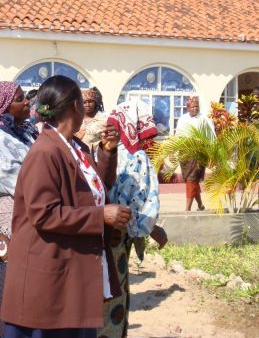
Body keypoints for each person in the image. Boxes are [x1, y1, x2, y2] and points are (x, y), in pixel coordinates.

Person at [1, 75, 132, 338]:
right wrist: (100, 216)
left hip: (71, 266)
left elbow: (93, 190)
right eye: (82, 101)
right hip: (49, 269)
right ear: (74, 106)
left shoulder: (74, 146)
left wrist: (107, 153)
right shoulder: (46, 152)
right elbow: (44, 213)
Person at [98, 99, 167, 338]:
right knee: (115, 292)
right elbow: (137, 203)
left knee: (108, 290)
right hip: (118, 235)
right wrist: (150, 228)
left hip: (105, 232)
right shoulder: (135, 157)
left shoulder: (108, 150)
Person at [0, 81, 36, 338]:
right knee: (8, 295)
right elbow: (16, 181)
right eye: (19, 99)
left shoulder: (22, 131)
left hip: (25, 210)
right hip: (10, 217)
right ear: (4, 106)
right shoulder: (1, 137)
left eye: (25, 97)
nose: (26, 102)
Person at [176, 97, 214, 211]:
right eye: (193, 106)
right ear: (188, 108)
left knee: (191, 180)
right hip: (185, 153)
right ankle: (200, 205)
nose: (195, 108)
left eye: (197, 106)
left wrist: (211, 152)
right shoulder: (182, 119)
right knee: (192, 180)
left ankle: (187, 209)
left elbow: (211, 137)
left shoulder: (204, 119)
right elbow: (178, 135)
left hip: (199, 153)